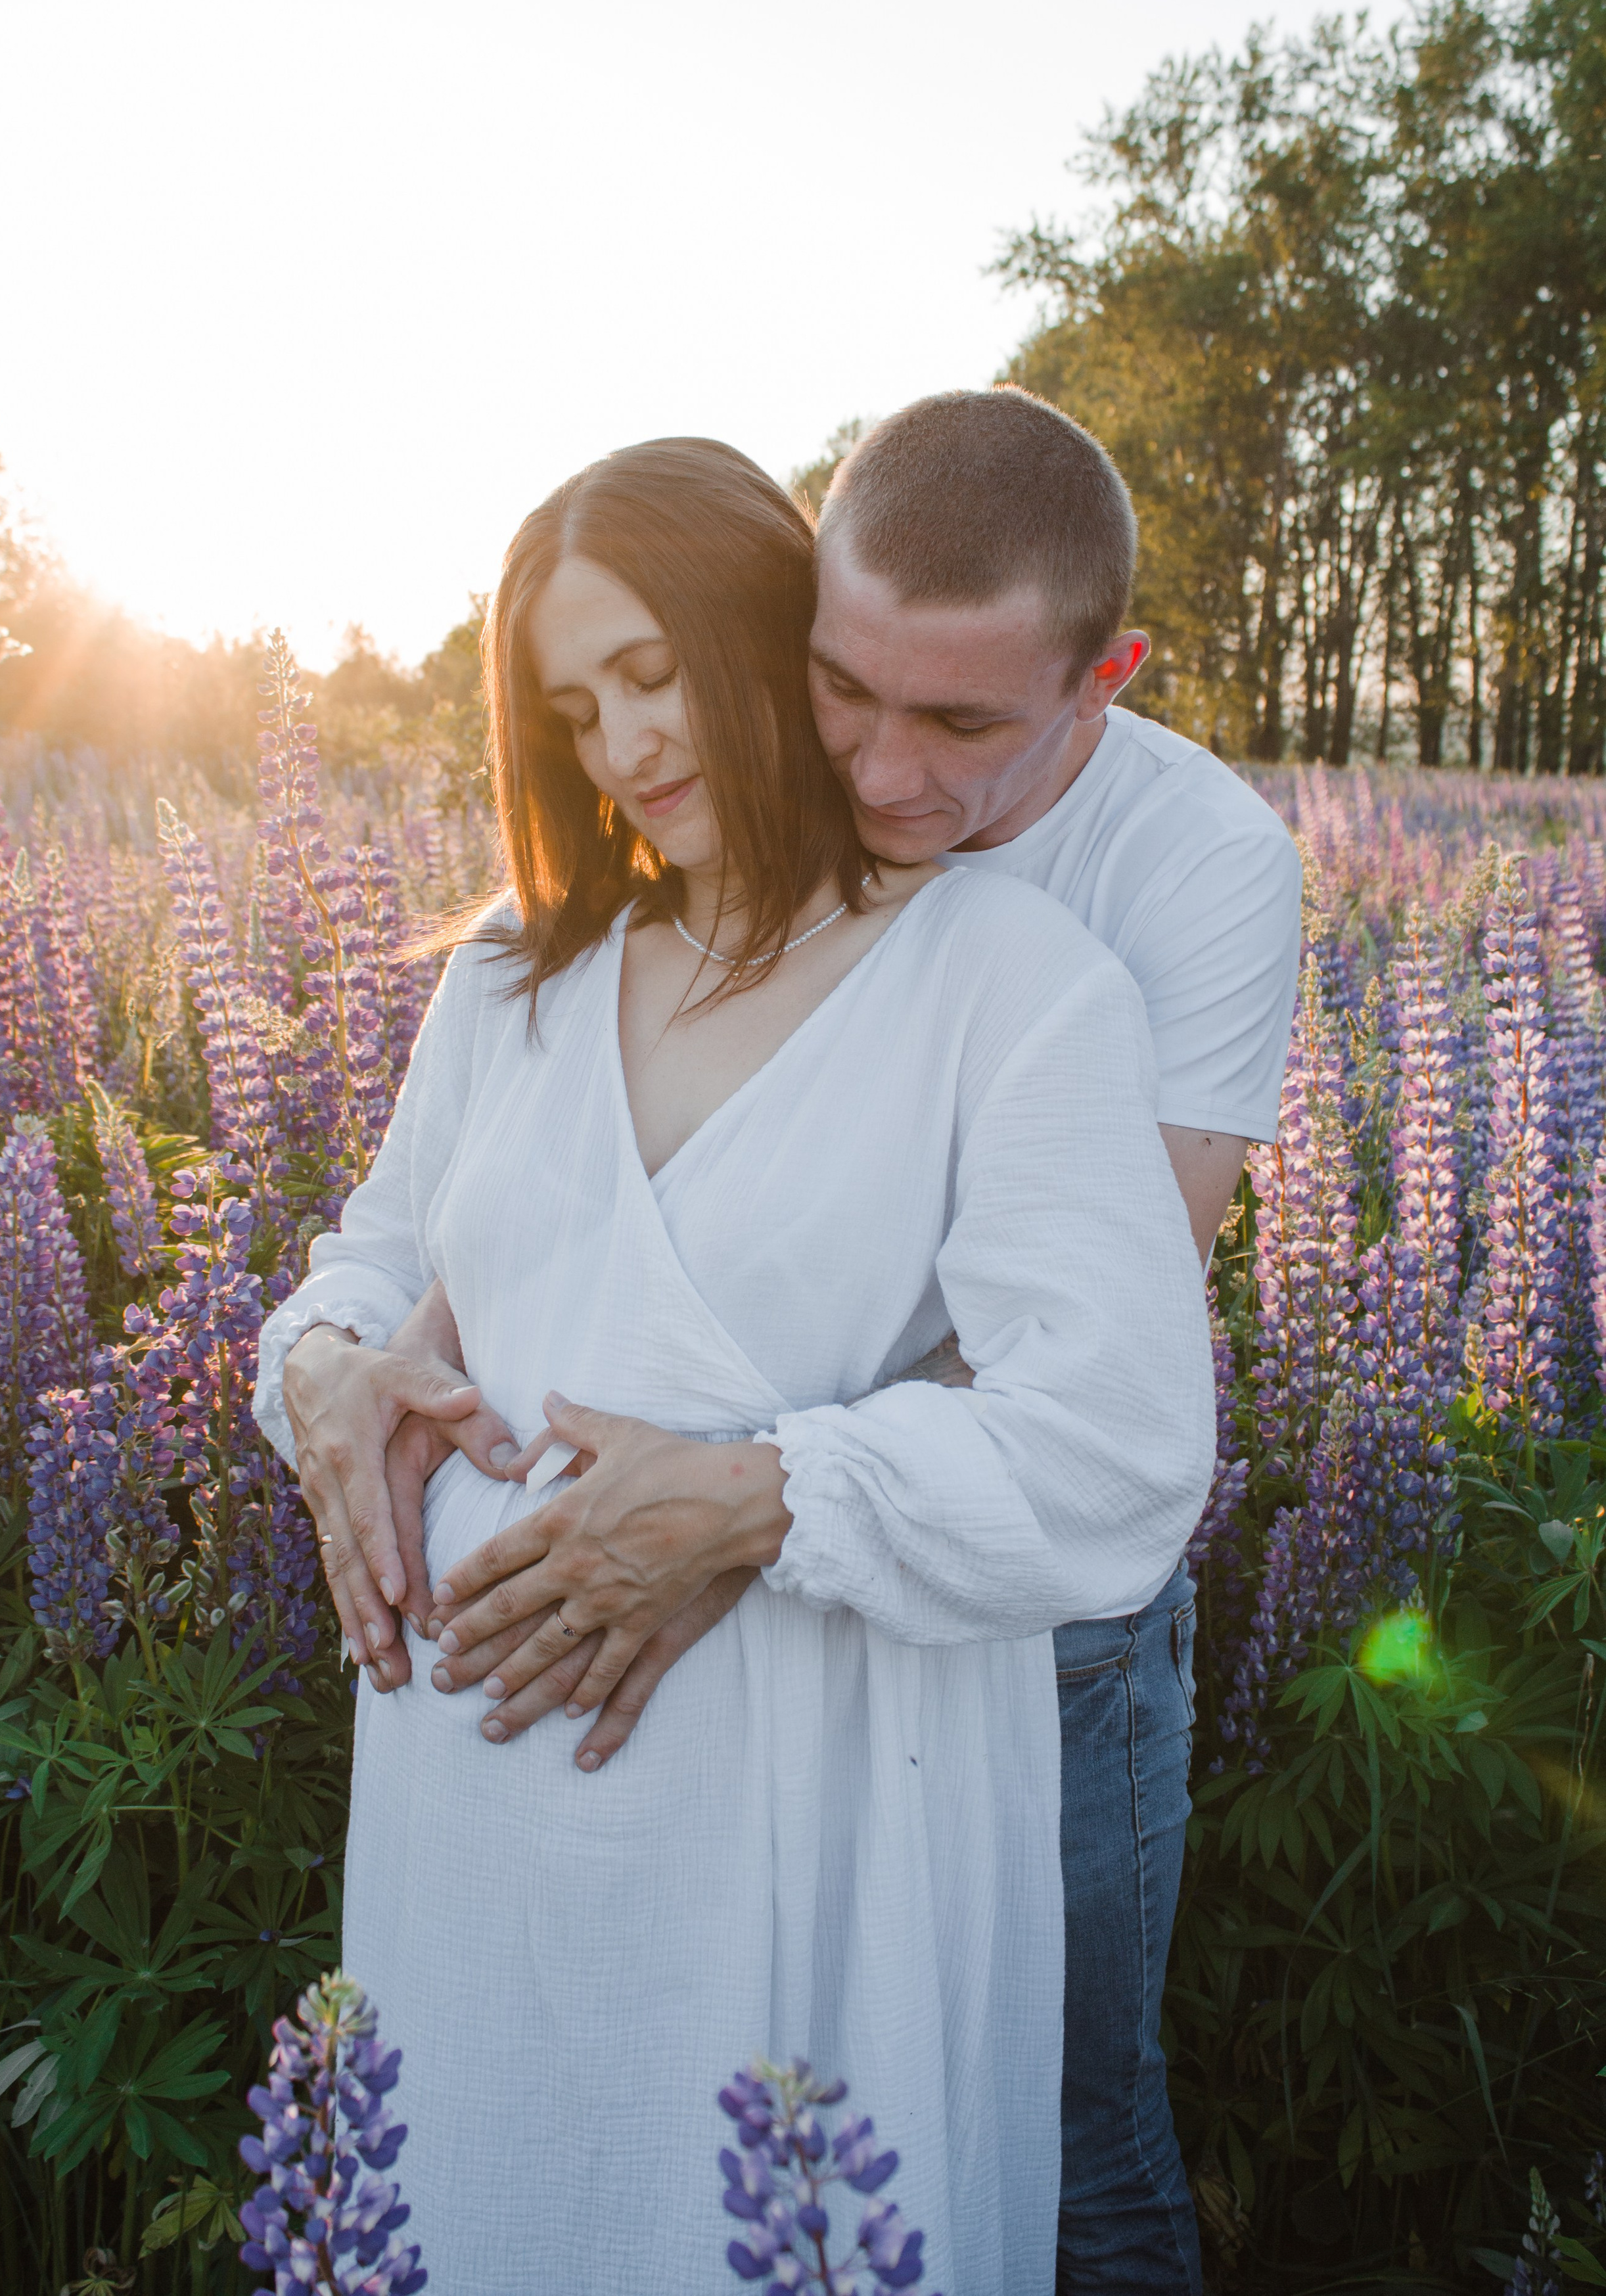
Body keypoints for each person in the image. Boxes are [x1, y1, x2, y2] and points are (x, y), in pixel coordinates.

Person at [258, 434, 1213, 2294]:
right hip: (474, 1801)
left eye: (649, 669)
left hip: (822, 1802)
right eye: (569, 704)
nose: (618, 743)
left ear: (767, 627)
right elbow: (370, 1258)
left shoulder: (1006, 983)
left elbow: (1115, 1439)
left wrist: (764, 1494)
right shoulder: (512, 978)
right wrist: (328, 1369)